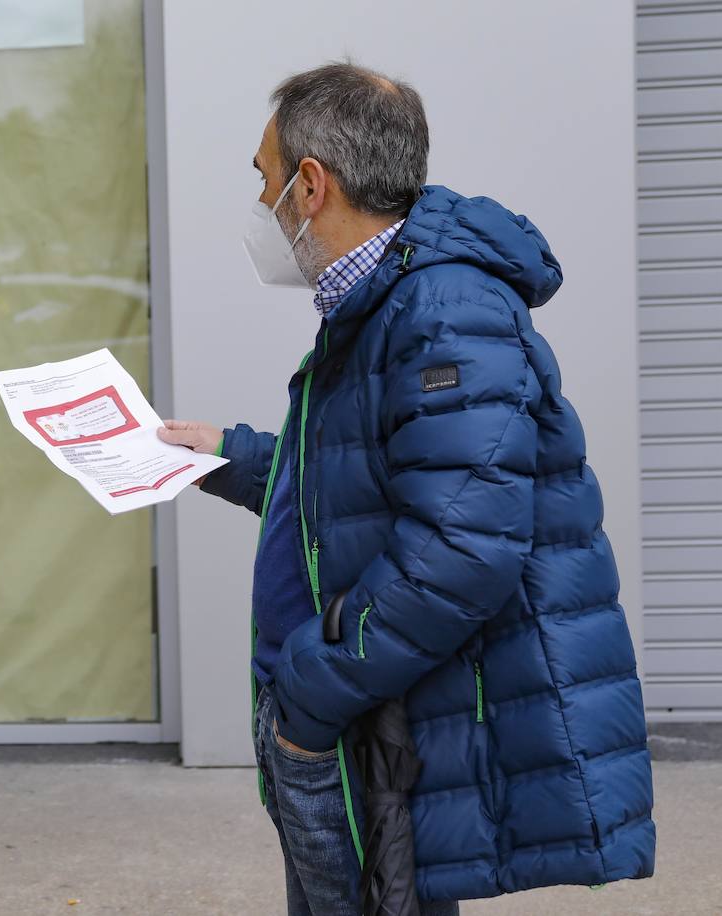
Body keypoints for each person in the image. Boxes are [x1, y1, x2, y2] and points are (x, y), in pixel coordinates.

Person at [159, 62, 655, 914]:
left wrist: (308, 697)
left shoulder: (441, 310)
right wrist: (230, 456)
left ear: (311, 186)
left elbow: (461, 550)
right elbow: (382, 474)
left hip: (356, 717)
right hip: (348, 709)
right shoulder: (385, 302)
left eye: (265, 178)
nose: (263, 201)